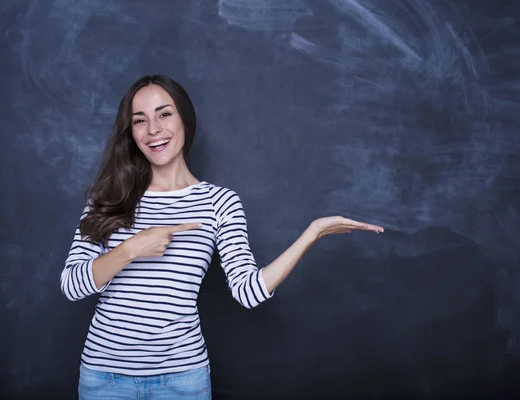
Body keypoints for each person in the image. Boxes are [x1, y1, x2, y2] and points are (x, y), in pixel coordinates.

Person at [60, 74, 384, 399]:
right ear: (130, 133)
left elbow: (248, 292)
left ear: (185, 118)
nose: (153, 129)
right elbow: (71, 286)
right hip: (105, 379)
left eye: (164, 114)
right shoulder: (108, 197)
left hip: (181, 382)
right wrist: (129, 249)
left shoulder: (219, 203)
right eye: (140, 120)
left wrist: (311, 234)